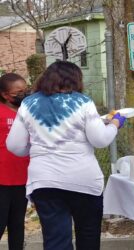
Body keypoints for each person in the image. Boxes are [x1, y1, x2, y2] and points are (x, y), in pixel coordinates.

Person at [6, 61, 126, 250]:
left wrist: (38, 149)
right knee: (88, 235)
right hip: (83, 180)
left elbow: (14, 145)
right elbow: (100, 140)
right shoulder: (83, 101)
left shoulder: (28, 103)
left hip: (44, 181)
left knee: (55, 240)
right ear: (76, 80)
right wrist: (115, 124)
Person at [0, 73, 30, 250]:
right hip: (2, 179)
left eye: (25, 90)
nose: (24, 94)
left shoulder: (26, 112)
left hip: (22, 177)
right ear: (5, 94)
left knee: (17, 224)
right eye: (18, 92)